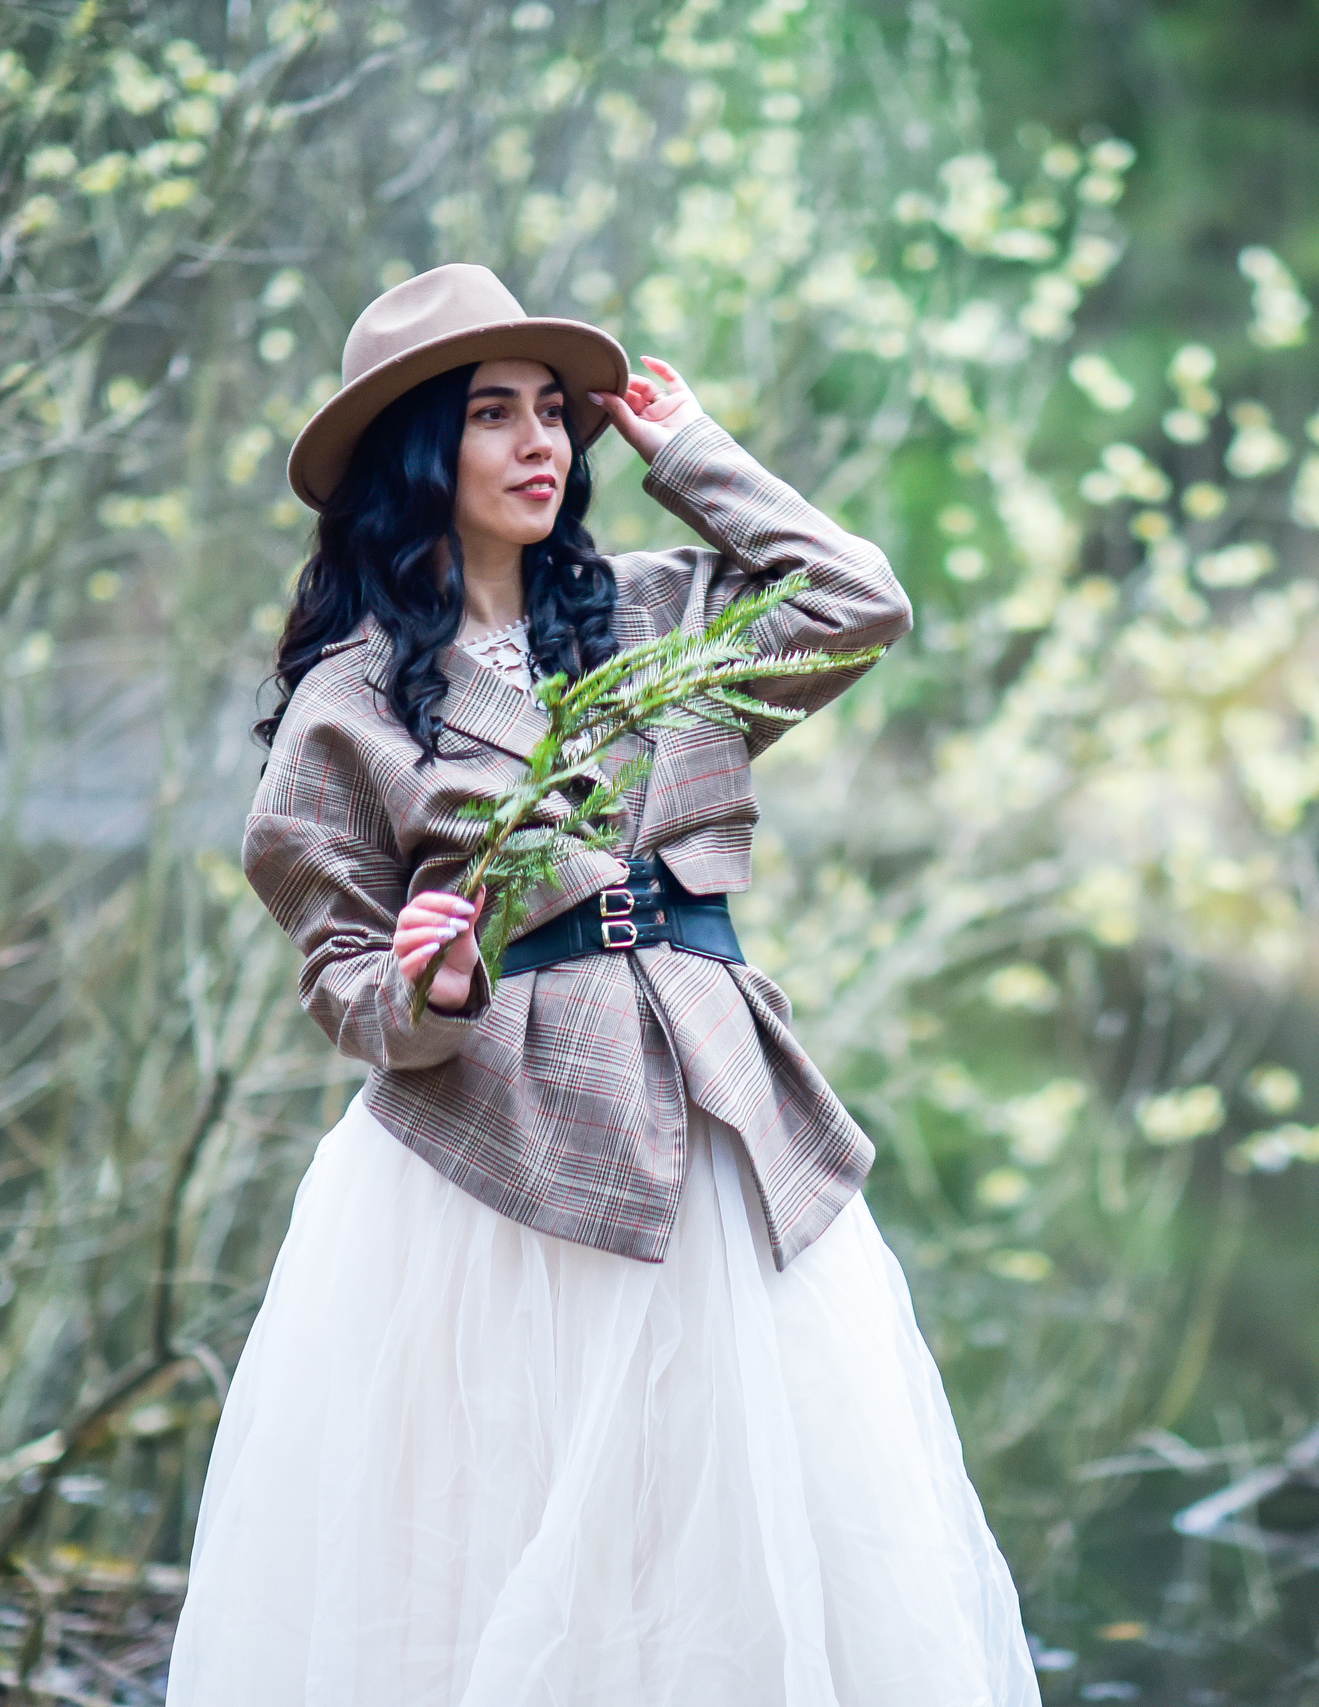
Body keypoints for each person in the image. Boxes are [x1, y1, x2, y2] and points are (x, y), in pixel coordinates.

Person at [165, 263, 1037, 1706]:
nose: (540, 443)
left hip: (719, 1134)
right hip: (492, 1176)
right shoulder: (354, 702)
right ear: (413, 456)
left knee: (738, 1547)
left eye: (554, 412)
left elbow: (855, 601)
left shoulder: (659, 617)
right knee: (487, 1550)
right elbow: (343, 976)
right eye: (492, 414)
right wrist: (427, 987)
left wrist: (688, 449)